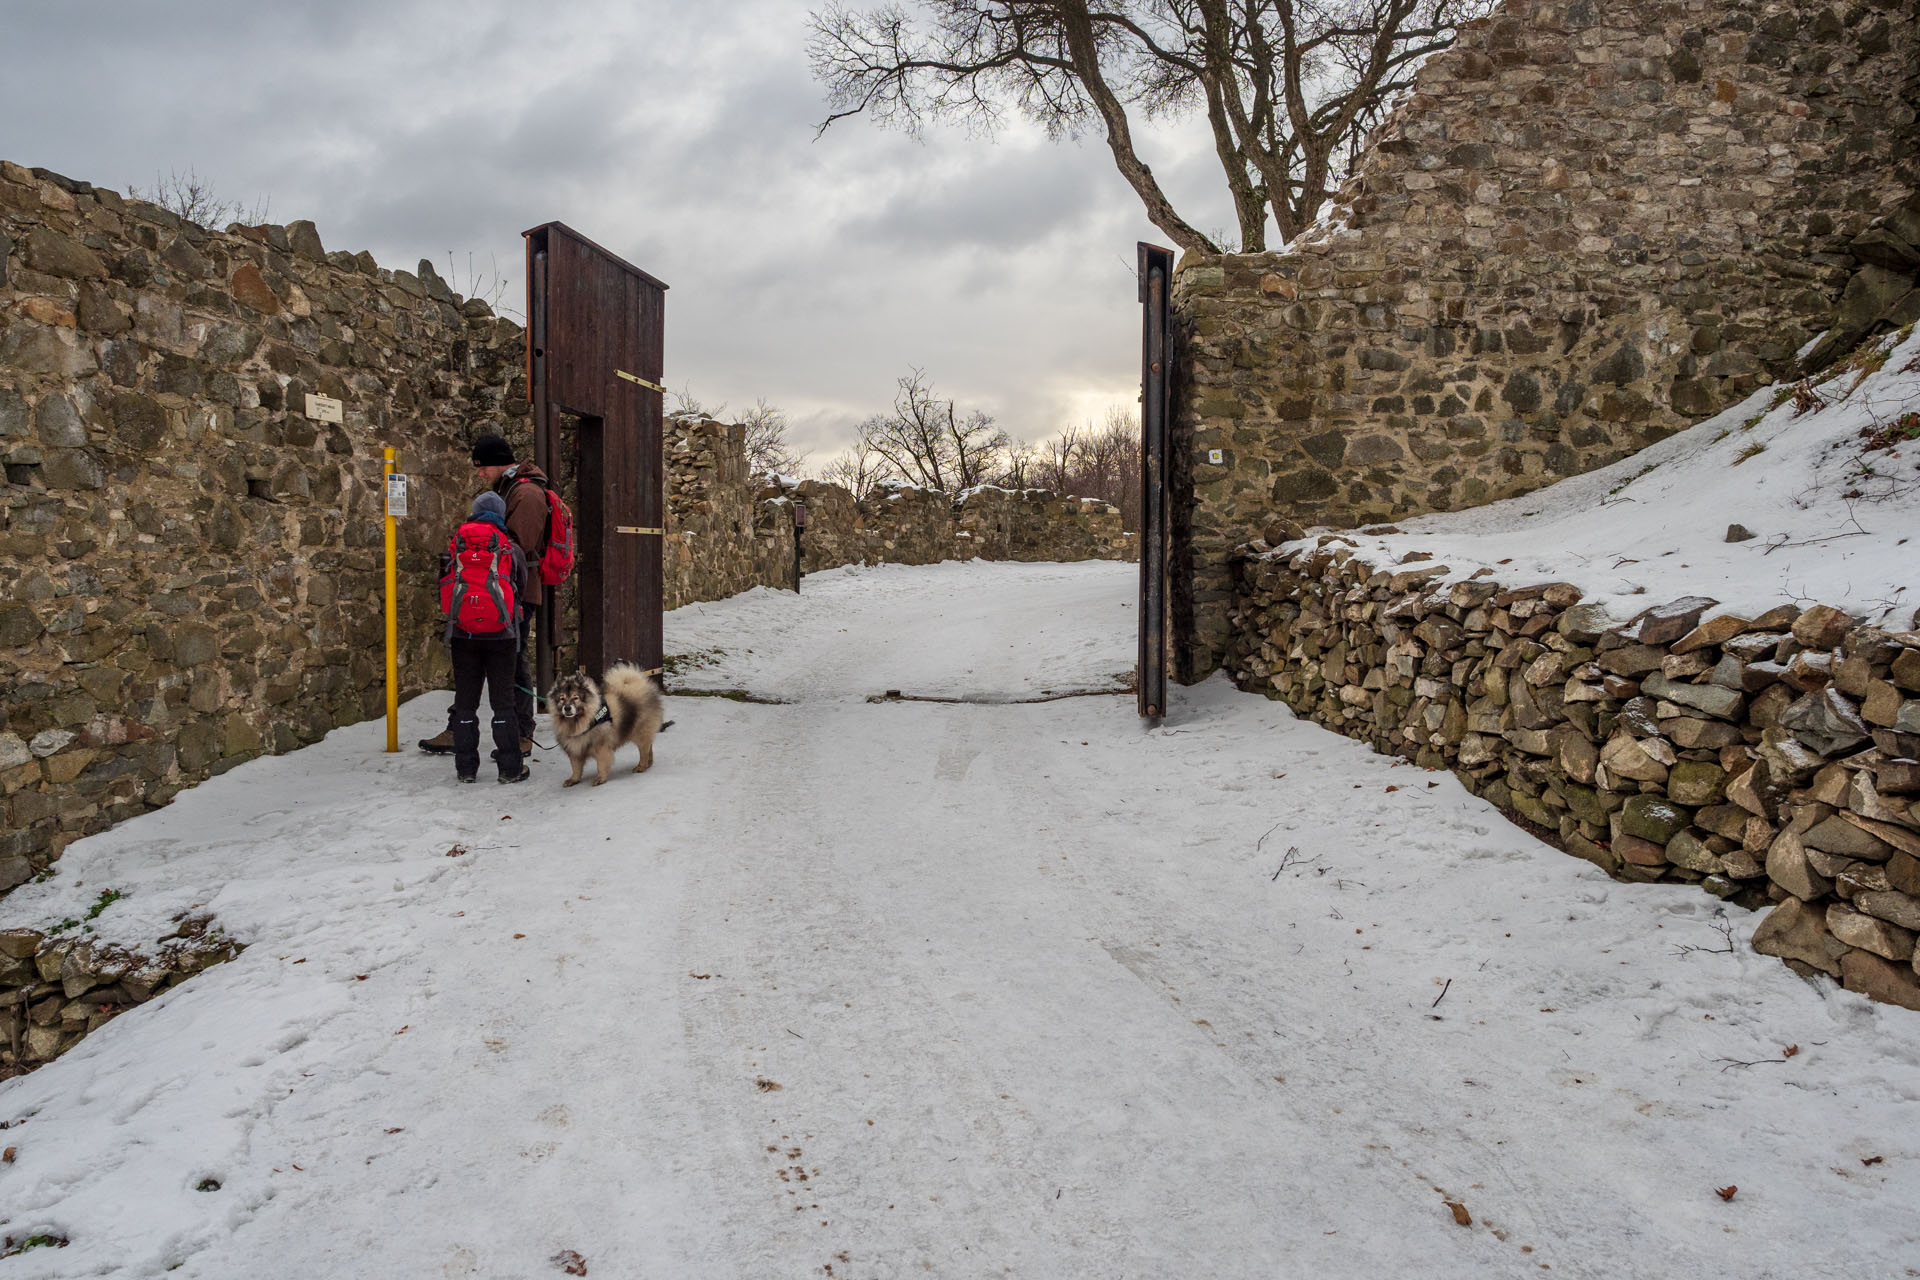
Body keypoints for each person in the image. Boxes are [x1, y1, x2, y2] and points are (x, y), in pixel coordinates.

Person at [419, 432, 554, 758]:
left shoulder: (526, 494)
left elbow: (516, 551)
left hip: (515, 595)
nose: (479, 473)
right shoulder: (510, 490)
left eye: (483, 467)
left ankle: (521, 733)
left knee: (514, 660)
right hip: (497, 592)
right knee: (474, 657)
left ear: (498, 463)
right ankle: (459, 728)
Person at [442, 491, 529, 784]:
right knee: (503, 702)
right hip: (501, 635)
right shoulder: (509, 548)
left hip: (462, 634)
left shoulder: (458, 543)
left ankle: (466, 768)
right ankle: (510, 768)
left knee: (466, 702)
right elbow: (520, 585)